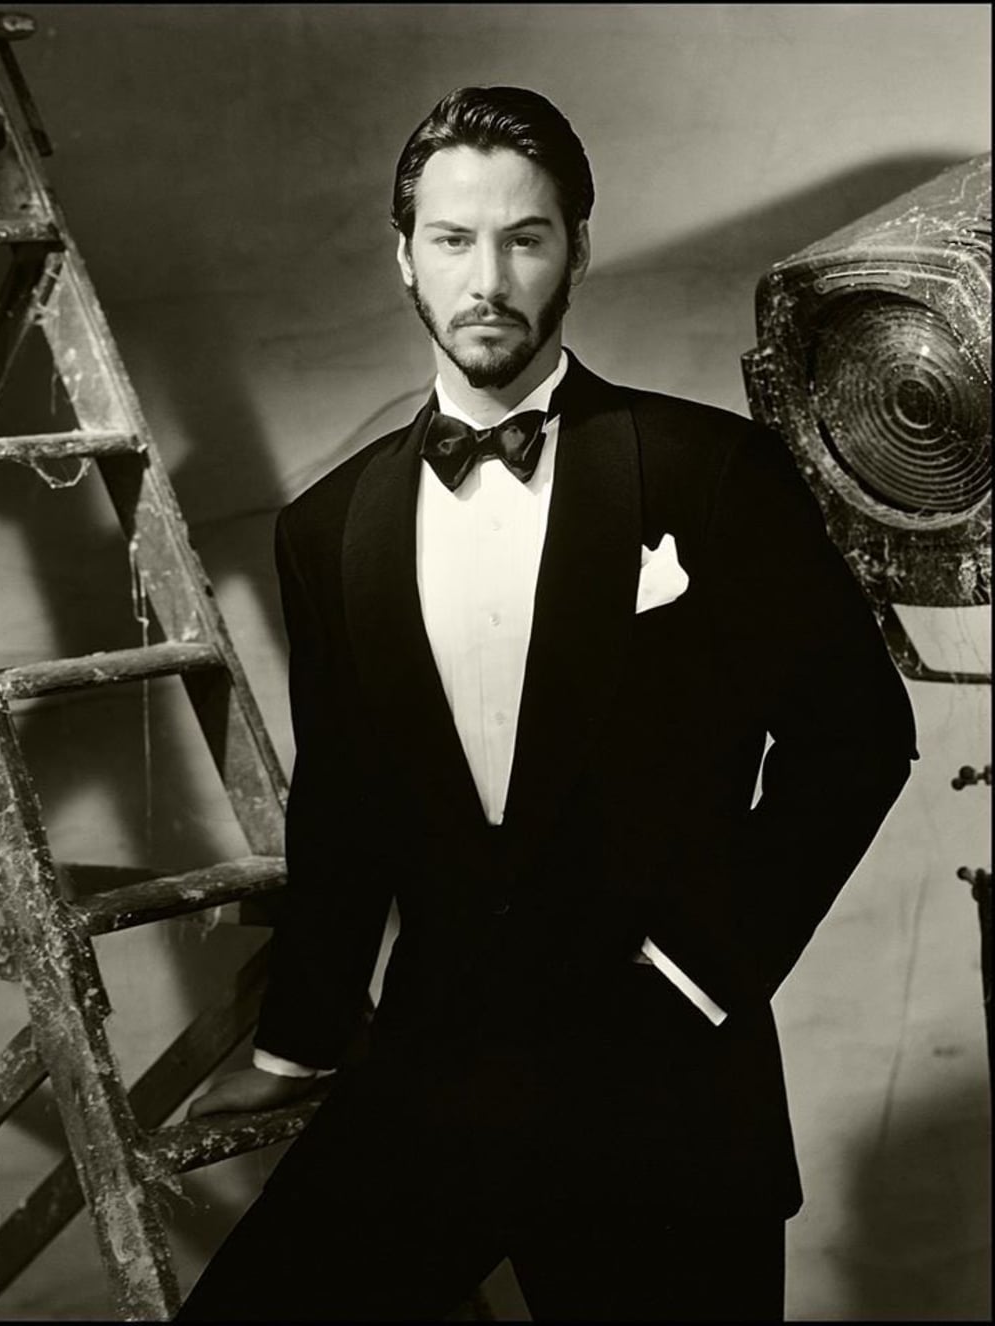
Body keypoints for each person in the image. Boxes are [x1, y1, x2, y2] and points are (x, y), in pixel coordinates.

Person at [178, 86, 916, 1322]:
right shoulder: (327, 529)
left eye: (525, 238)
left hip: (663, 1098)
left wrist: (697, 974)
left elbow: (857, 739)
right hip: (434, 1082)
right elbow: (346, 805)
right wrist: (290, 1046)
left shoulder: (714, 471)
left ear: (579, 246)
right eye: (453, 239)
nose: (488, 278)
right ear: (402, 253)